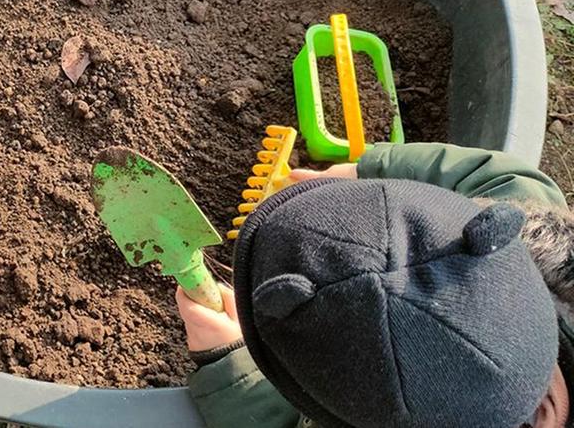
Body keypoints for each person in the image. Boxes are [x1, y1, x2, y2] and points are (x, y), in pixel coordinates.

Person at [177, 142, 574, 427]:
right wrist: (371, 170)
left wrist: (233, 367)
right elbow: (497, 175)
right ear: (488, 230)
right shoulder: (525, 238)